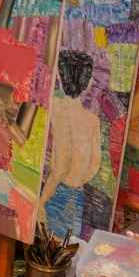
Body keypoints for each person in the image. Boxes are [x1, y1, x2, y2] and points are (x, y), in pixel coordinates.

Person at [40, 49, 103, 237]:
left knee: (50, 245)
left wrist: (41, 201)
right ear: (87, 82)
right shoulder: (92, 120)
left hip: (57, 192)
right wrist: (77, 179)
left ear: (61, 77)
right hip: (78, 193)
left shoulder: (59, 111)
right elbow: (94, 164)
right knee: (70, 246)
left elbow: (60, 167)